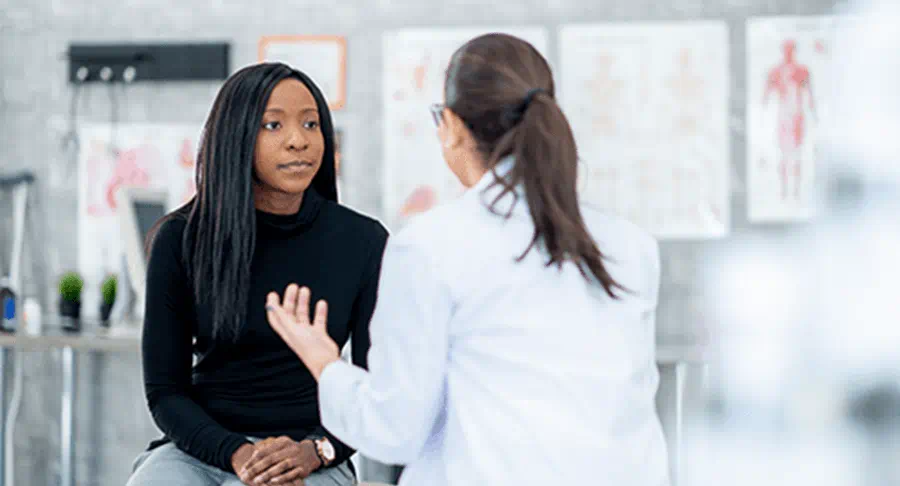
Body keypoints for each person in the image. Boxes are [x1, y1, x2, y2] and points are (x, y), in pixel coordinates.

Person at [264, 33, 671, 485]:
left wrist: (325, 363)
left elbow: (394, 431)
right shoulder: (631, 246)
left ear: (452, 125)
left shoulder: (430, 247)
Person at [127, 62, 388, 486]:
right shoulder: (179, 240)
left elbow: (375, 388)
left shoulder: (363, 241)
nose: (298, 140)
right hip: (203, 450)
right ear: (236, 138)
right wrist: (238, 454)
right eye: (273, 125)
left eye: (311, 123)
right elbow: (165, 391)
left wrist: (315, 450)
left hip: (313, 453)